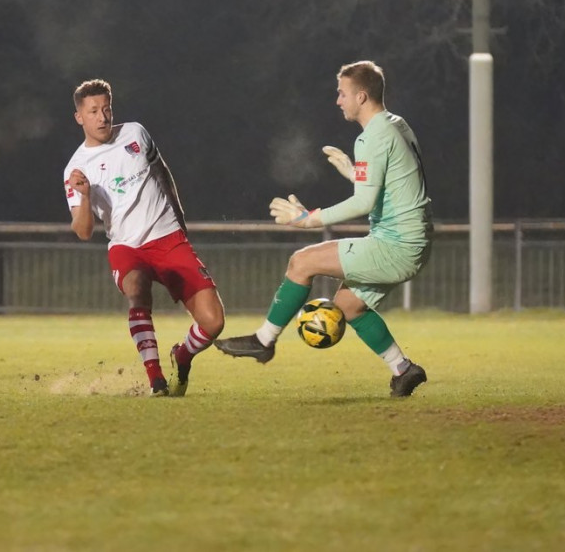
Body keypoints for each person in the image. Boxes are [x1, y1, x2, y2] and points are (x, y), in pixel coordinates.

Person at [215, 60, 432, 398]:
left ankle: (263, 341)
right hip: (412, 239)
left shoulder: (372, 137)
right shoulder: (395, 124)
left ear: (361, 97)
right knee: (348, 305)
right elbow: (398, 181)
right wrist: (354, 173)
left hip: (398, 243)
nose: (338, 100)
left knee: (302, 262)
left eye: (342, 93)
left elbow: (363, 204)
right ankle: (404, 370)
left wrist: (308, 219)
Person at [63, 79, 225, 396]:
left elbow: (162, 171)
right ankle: (156, 380)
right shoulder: (76, 168)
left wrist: (179, 217)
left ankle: (182, 355)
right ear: (79, 117)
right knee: (136, 288)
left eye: (106, 109)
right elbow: (82, 232)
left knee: (214, 323)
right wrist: (84, 196)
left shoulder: (136, 133)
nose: (102, 117)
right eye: (93, 111)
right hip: (127, 247)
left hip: (168, 238)